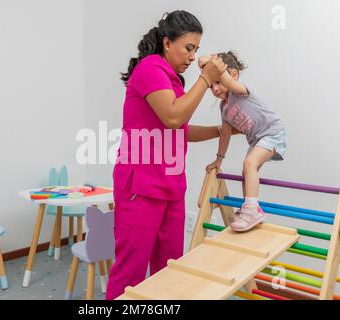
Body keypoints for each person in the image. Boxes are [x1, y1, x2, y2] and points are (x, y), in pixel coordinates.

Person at [105, 10, 228, 300]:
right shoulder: (149, 69)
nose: (191, 55)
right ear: (166, 42)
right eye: (188, 48)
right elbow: (173, 117)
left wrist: (222, 130)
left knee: (168, 270)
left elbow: (179, 129)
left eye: (196, 49)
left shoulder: (173, 80)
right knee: (131, 274)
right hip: (141, 187)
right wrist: (205, 79)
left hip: (170, 186)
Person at [203, 51, 287, 232]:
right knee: (247, 171)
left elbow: (228, 82)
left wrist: (209, 61)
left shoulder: (238, 91)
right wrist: (218, 159)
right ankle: (249, 207)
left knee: (249, 163)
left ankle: (252, 210)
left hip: (272, 132)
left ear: (232, 75)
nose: (215, 89)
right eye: (211, 86)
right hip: (256, 139)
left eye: (218, 82)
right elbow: (225, 135)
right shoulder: (223, 108)